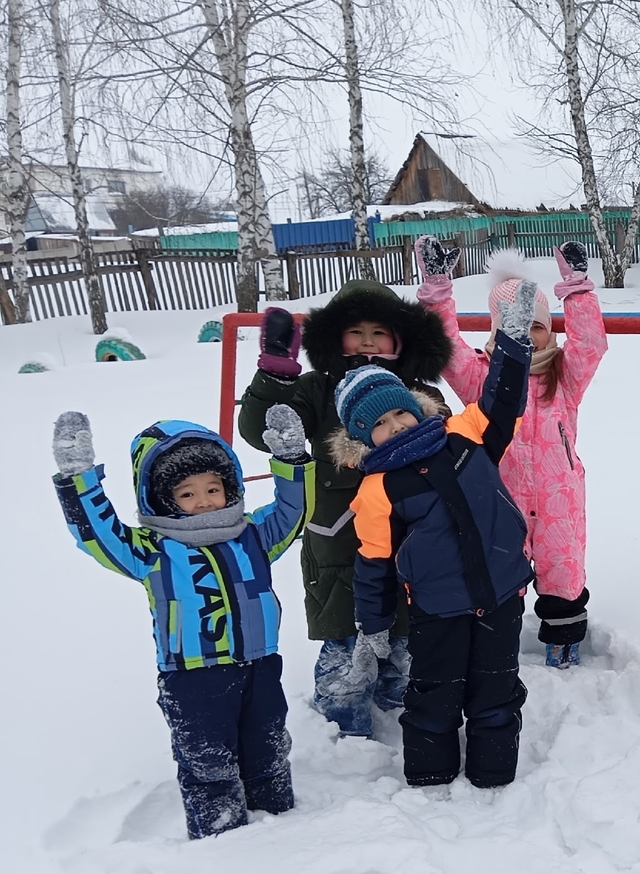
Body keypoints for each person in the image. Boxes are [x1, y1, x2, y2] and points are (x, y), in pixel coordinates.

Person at [51, 405, 312, 838]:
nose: (205, 501)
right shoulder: (152, 550)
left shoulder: (252, 536)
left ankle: (280, 825)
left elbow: (291, 513)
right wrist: (78, 478)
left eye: (213, 488)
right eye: (188, 494)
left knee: (267, 748)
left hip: (261, 665)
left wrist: (291, 461)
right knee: (208, 763)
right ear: (162, 499)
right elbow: (98, 533)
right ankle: (221, 838)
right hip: (193, 678)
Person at [330, 280, 541, 790]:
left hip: (500, 594)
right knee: (434, 694)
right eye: (380, 423)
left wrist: (512, 343)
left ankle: (495, 775)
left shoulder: (464, 434)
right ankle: (430, 777)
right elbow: (374, 564)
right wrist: (373, 623)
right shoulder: (378, 490)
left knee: (496, 690)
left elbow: (503, 399)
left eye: (401, 410)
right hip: (438, 608)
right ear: (362, 438)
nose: (397, 425)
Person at [238, 279, 453, 734]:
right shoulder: (317, 389)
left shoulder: (418, 393)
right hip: (337, 542)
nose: (369, 340)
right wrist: (276, 380)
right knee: (343, 641)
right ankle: (343, 725)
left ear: (404, 339)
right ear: (335, 337)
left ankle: (401, 718)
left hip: (412, 541)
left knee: (407, 637)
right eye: (357, 331)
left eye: (381, 331)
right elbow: (267, 432)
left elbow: (449, 449)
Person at [420, 237, 607, 668]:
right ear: (496, 328)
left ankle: (564, 648)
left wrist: (577, 289)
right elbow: (446, 347)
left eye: (536, 325)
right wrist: (437, 290)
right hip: (500, 502)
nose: (526, 332)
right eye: (515, 323)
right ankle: (498, 649)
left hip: (559, 502)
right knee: (499, 577)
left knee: (563, 577)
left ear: (548, 329)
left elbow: (590, 346)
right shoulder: (479, 378)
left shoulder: (565, 376)